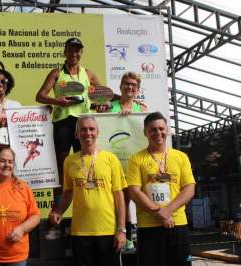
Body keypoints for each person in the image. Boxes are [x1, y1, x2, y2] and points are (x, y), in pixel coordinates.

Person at [36, 38, 110, 197]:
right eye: (70, 50)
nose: (74, 54)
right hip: (63, 123)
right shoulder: (57, 73)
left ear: (81, 53)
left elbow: (104, 95)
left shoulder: (88, 73)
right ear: (65, 52)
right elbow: (40, 96)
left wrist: (111, 102)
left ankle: (85, 202)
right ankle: (57, 211)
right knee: (61, 167)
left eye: (77, 50)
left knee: (84, 163)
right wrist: (57, 101)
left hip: (83, 124)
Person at [49, 116, 127, 266]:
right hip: (80, 232)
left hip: (108, 231)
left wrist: (121, 229)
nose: (88, 133)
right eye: (83, 129)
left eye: (92, 129)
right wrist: (59, 211)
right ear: (76, 134)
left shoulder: (110, 159)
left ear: (98, 132)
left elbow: (119, 196)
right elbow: (68, 192)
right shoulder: (69, 161)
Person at [127, 112, 195, 266]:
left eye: (161, 129)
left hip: (178, 224)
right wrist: (159, 212)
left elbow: (189, 188)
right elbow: (134, 192)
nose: (158, 133)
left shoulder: (181, 157)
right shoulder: (136, 159)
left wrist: (168, 211)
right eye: (152, 130)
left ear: (167, 130)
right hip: (148, 227)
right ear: (145, 132)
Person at [0, 147, 41, 266]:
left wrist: (22, 229)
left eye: (10, 162)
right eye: (3, 161)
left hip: (17, 256)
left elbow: (36, 216)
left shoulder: (23, 187)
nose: (7, 165)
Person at [109, 71, 148, 248]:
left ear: (137, 89)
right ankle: (128, 237)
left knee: (143, 200)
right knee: (123, 202)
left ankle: (145, 236)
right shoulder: (110, 107)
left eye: (134, 85)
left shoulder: (143, 109)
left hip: (138, 163)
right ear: (121, 86)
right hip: (117, 163)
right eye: (127, 84)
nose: (130, 87)